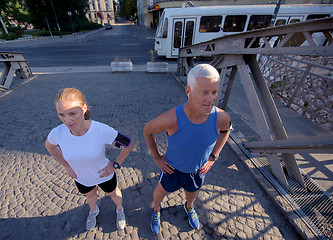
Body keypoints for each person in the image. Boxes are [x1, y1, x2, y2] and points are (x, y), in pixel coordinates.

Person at [143, 64, 232, 234]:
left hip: (198, 170)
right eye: (204, 92)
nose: (210, 99)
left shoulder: (221, 117)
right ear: (188, 91)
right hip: (172, 169)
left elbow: (225, 131)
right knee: (161, 192)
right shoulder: (173, 118)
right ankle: (156, 210)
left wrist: (214, 156)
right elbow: (148, 130)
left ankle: (189, 207)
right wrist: (157, 157)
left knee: (192, 192)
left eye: (214, 92)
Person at [45, 88, 133, 231]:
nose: (67, 120)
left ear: (84, 108)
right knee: (90, 197)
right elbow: (50, 147)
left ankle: (119, 210)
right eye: (61, 114)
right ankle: (93, 211)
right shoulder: (57, 133)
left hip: (104, 174)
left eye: (72, 113)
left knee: (113, 194)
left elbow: (128, 143)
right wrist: (66, 166)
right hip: (81, 177)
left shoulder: (100, 130)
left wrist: (115, 165)